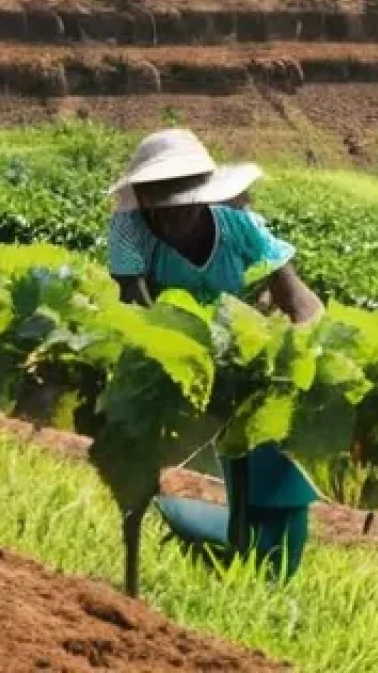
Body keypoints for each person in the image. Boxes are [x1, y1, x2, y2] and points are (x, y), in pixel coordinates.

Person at [107, 129, 324, 577]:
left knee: (264, 455)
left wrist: (296, 353)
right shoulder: (129, 231)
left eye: (180, 205)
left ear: (203, 197)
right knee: (173, 455)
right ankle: (191, 537)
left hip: (243, 345)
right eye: (156, 207)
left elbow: (302, 303)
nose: (168, 220)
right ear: (142, 200)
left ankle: (267, 553)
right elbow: (135, 308)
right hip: (178, 346)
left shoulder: (240, 227)